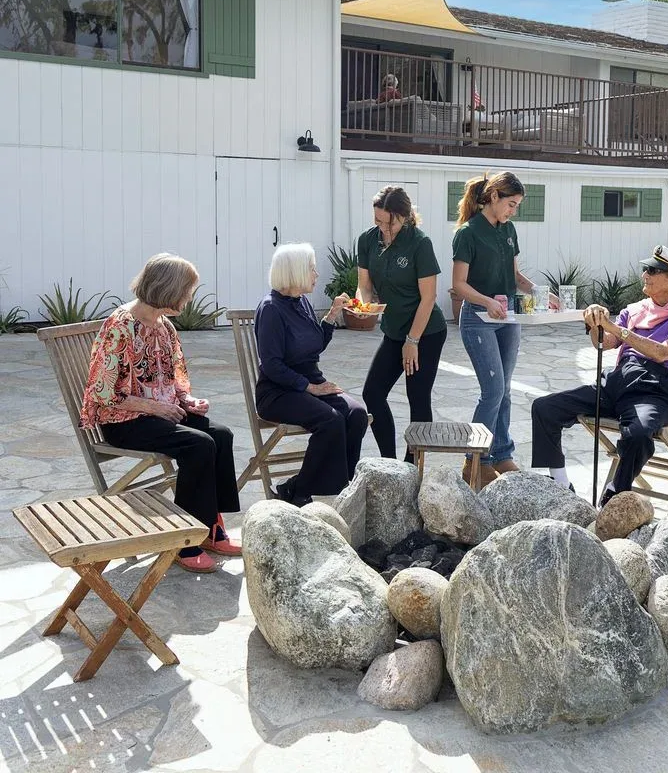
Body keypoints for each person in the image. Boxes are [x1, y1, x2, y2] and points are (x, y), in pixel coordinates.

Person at [80, 253, 241, 574]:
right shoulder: (120, 326)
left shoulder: (163, 325)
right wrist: (157, 406)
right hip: (123, 421)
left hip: (160, 413)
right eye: (186, 291)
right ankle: (184, 542)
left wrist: (187, 399)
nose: (189, 297)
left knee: (221, 435)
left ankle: (210, 528)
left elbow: (173, 377)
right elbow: (103, 393)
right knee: (199, 445)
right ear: (168, 290)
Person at [530, 245, 668, 504]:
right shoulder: (636, 309)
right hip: (617, 384)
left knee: (638, 434)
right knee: (545, 408)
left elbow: (663, 353)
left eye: (653, 271)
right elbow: (604, 343)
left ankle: (617, 491)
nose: (645, 275)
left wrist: (617, 329)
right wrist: (595, 321)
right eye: (646, 269)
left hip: (656, 392)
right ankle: (560, 483)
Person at [254, 242, 369, 506]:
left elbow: (314, 345)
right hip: (278, 391)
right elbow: (271, 365)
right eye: (312, 269)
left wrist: (333, 314)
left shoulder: (301, 302)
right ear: (295, 272)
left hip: (309, 384)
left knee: (356, 415)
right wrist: (309, 387)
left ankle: (333, 484)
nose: (316, 274)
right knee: (330, 420)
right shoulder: (271, 308)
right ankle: (300, 492)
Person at [452, 171, 539, 487]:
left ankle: (502, 454)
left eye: (517, 206)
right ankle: (475, 461)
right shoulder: (467, 233)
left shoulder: (509, 230)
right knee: (492, 391)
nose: (513, 211)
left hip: (508, 318)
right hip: (478, 319)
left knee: (505, 390)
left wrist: (539, 291)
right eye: (510, 204)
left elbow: (514, 276)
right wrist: (487, 301)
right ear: (493, 197)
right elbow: (459, 284)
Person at [357, 186, 447, 460]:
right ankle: (390, 464)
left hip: (426, 332)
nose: (383, 228)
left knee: (417, 396)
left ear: (405, 217)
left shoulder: (420, 243)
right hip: (393, 331)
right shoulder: (367, 240)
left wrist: (412, 341)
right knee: (372, 394)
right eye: (378, 221)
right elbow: (364, 287)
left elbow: (429, 298)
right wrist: (364, 306)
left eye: (390, 223)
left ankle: (412, 467)